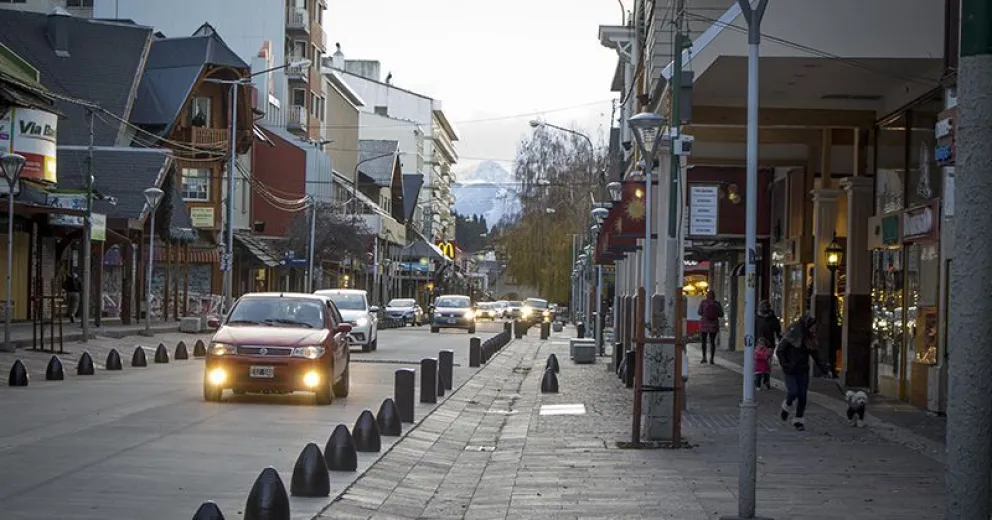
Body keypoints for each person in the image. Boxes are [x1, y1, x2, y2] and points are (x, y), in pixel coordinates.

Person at [777, 315, 833, 431]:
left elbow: (816, 356)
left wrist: (825, 369)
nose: (814, 329)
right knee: (793, 392)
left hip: (803, 370)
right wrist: (786, 365)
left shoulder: (810, 339)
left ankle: (798, 420)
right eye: (813, 326)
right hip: (791, 370)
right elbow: (780, 351)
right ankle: (787, 406)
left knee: (802, 395)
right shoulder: (792, 335)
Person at [697, 290, 724, 364]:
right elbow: (721, 314)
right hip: (714, 325)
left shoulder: (703, 302)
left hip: (704, 325)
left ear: (707, 295)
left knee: (704, 341)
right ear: (714, 296)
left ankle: (704, 357)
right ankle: (711, 359)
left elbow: (699, 312)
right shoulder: (717, 303)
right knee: (712, 342)